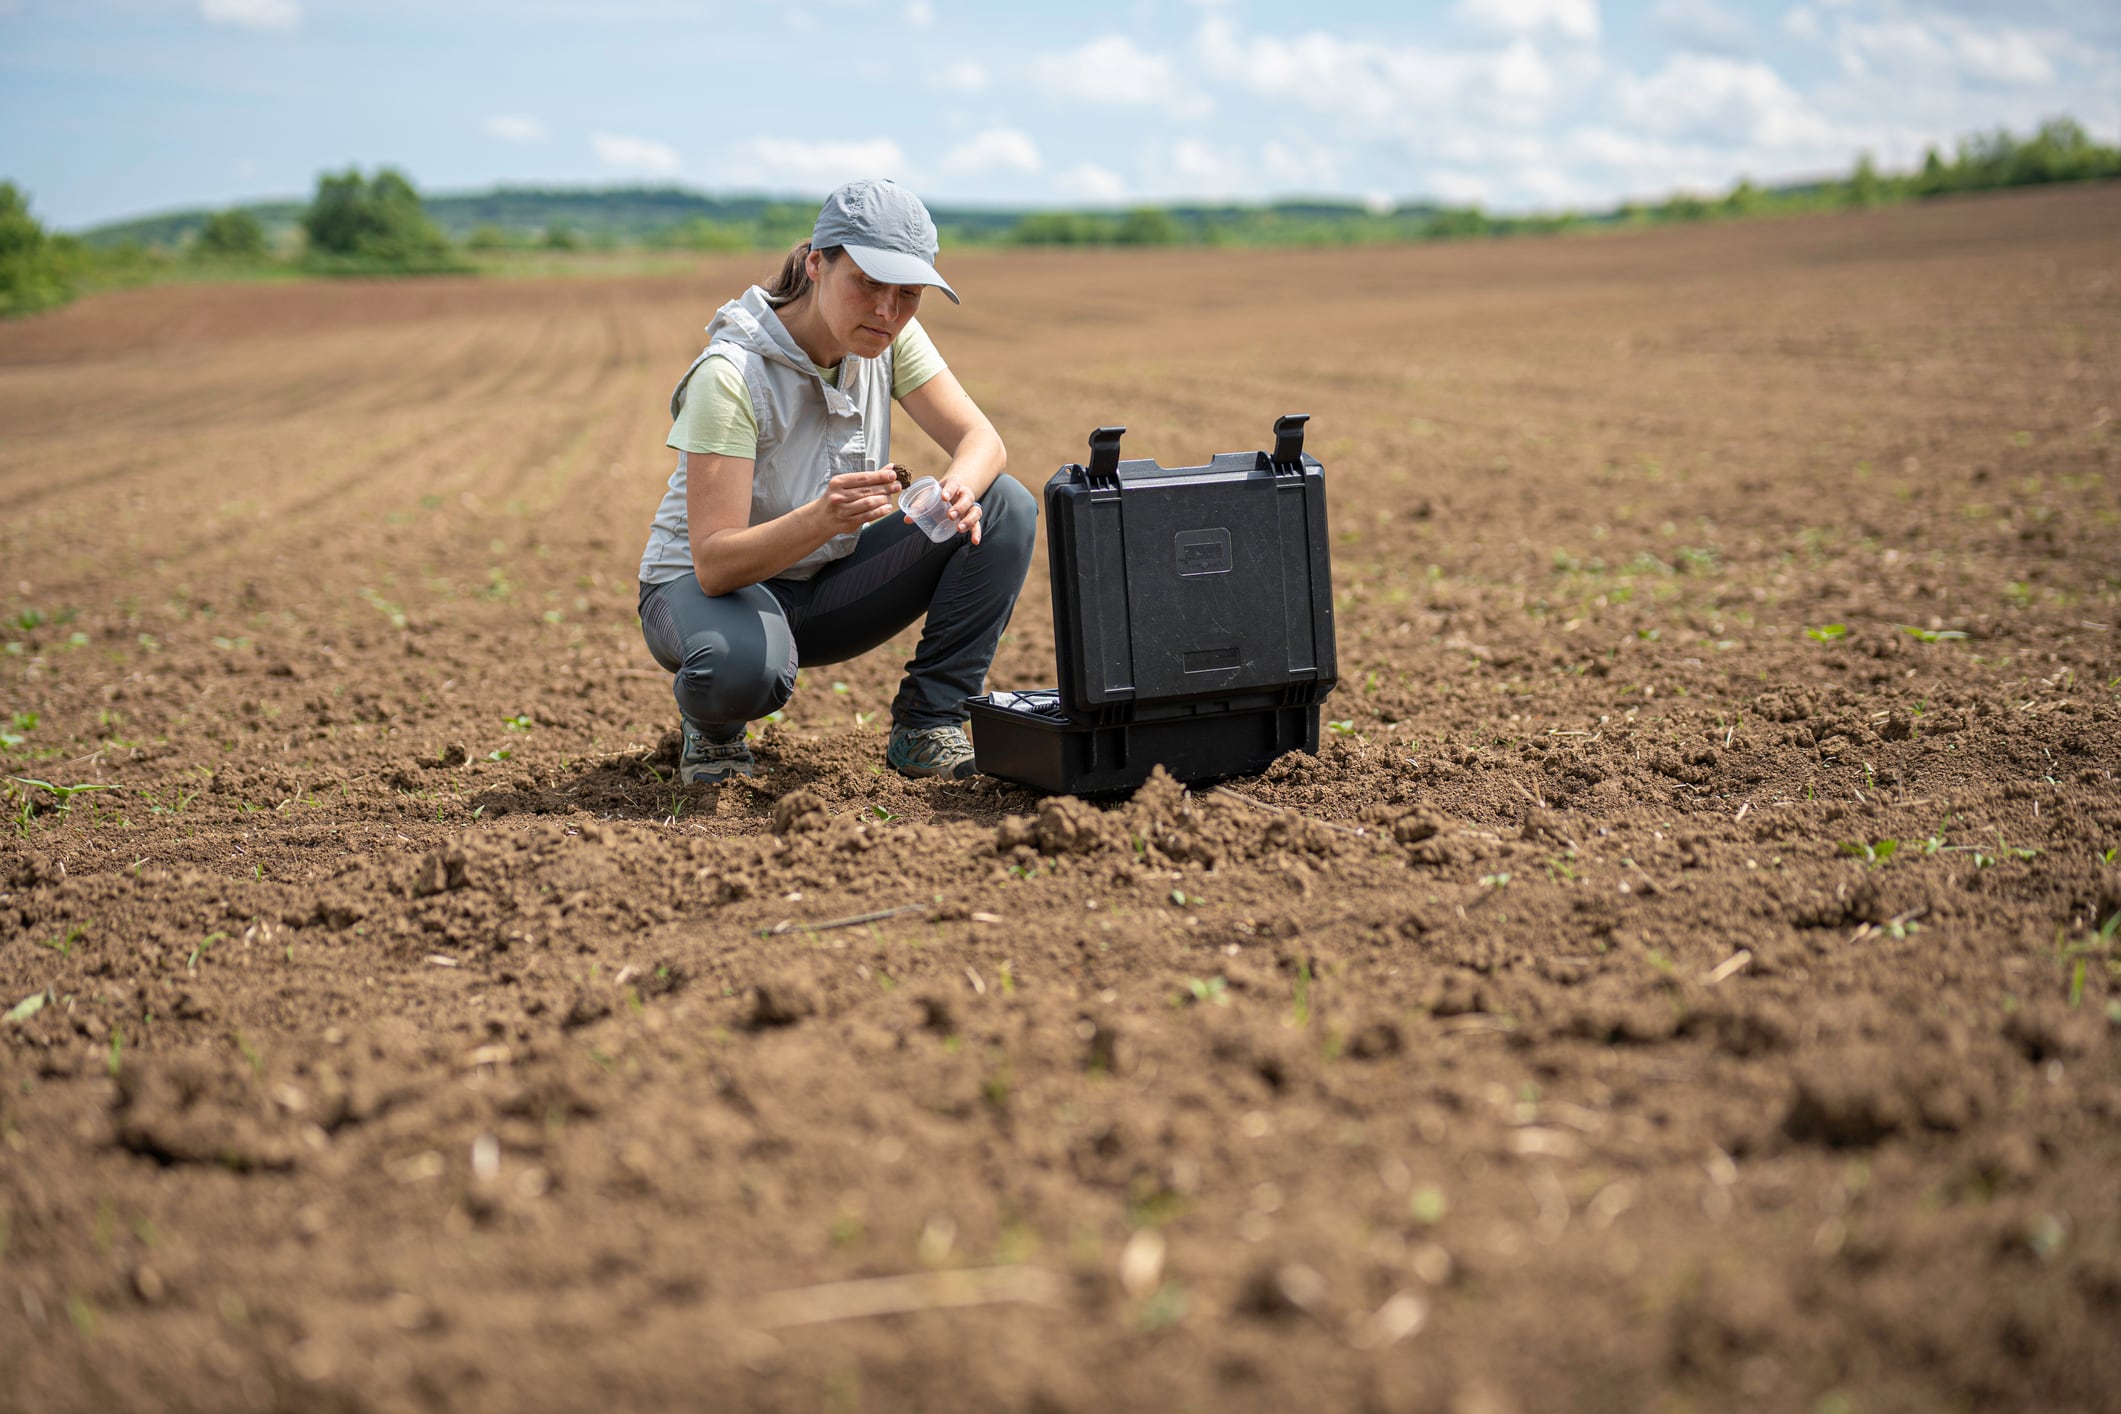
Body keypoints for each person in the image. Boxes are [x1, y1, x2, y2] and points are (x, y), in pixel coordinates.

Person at [636, 178, 1037, 784]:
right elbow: (714, 562)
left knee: (1002, 505)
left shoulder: (889, 339)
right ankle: (714, 730)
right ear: (817, 263)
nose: (887, 310)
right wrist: (824, 517)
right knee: (738, 669)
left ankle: (929, 724)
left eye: (907, 294)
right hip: (705, 593)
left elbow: (984, 443)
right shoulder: (732, 373)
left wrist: (956, 493)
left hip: (821, 587)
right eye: (869, 284)